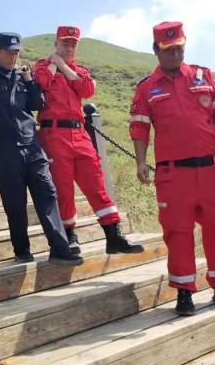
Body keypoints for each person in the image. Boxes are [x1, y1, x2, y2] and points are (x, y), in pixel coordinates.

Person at [129, 21, 215, 316]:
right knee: (178, 231)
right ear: (155, 50)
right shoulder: (147, 88)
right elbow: (139, 127)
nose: (176, 55)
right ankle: (185, 292)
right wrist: (140, 161)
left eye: (179, 49)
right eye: (169, 50)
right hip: (173, 174)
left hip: (212, 169)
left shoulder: (204, 76)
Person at [0, 32, 83, 266]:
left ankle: (59, 249)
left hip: (32, 145)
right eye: (8, 52)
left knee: (48, 194)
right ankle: (22, 250)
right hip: (5, 148)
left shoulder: (22, 75)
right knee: (14, 202)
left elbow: (36, 105)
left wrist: (30, 82)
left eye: (16, 52)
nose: (13, 56)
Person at [34, 26, 145, 255]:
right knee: (63, 188)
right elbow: (42, 83)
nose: (70, 46)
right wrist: (55, 64)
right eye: (65, 42)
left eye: (74, 43)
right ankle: (69, 236)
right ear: (56, 43)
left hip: (79, 134)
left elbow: (87, 89)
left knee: (96, 183)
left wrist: (63, 66)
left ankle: (113, 235)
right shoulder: (43, 66)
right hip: (54, 134)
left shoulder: (80, 70)